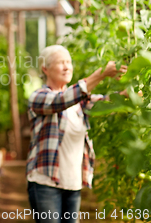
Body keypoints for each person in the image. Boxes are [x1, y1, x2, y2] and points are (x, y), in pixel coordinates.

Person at [26, 45, 127, 223]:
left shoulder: (80, 102)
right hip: (46, 182)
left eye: (68, 62)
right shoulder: (39, 97)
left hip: (72, 183)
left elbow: (105, 103)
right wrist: (101, 73)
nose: (67, 67)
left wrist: (129, 94)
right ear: (45, 69)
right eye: (60, 62)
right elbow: (62, 100)